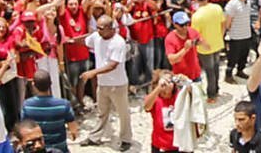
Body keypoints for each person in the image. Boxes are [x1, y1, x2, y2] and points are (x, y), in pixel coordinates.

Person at [79, 14, 132, 151]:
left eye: (101, 28)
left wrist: (93, 73)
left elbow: (112, 65)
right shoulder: (97, 36)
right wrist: (67, 40)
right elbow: (85, 41)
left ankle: (126, 139)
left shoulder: (118, 42)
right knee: (102, 112)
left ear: (110, 28)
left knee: (123, 113)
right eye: (97, 28)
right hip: (103, 84)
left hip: (117, 84)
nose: (98, 30)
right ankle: (95, 137)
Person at [20, 70, 77, 153]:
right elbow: (73, 129)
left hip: (38, 148)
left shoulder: (27, 105)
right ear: (50, 83)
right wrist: (73, 135)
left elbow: (25, 127)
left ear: (33, 84)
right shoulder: (63, 104)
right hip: (60, 148)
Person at [189, 0, 224, 103]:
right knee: (216, 68)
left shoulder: (197, 16)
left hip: (205, 47)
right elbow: (223, 24)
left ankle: (211, 95)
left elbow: (195, 34)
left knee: (209, 71)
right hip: (217, 42)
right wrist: (221, 35)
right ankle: (216, 90)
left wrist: (204, 44)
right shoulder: (217, 8)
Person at [224, 0, 253, 84]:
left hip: (246, 33)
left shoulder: (248, 1)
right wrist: (228, 31)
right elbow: (228, 20)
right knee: (233, 57)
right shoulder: (232, 4)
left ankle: (240, 71)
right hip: (236, 35)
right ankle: (228, 75)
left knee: (244, 56)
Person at [143, 70, 179, 153]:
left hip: (179, 143)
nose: (167, 85)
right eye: (165, 82)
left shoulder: (179, 96)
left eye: (170, 81)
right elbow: (146, 107)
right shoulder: (155, 98)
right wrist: (158, 88)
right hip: (160, 144)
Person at [164, 11, 203, 83]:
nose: (185, 27)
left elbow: (201, 41)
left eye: (186, 24)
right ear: (175, 24)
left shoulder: (191, 31)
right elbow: (172, 60)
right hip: (181, 78)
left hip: (196, 74)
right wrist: (185, 49)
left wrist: (195, 42)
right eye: (182, 25)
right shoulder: (170, 38)